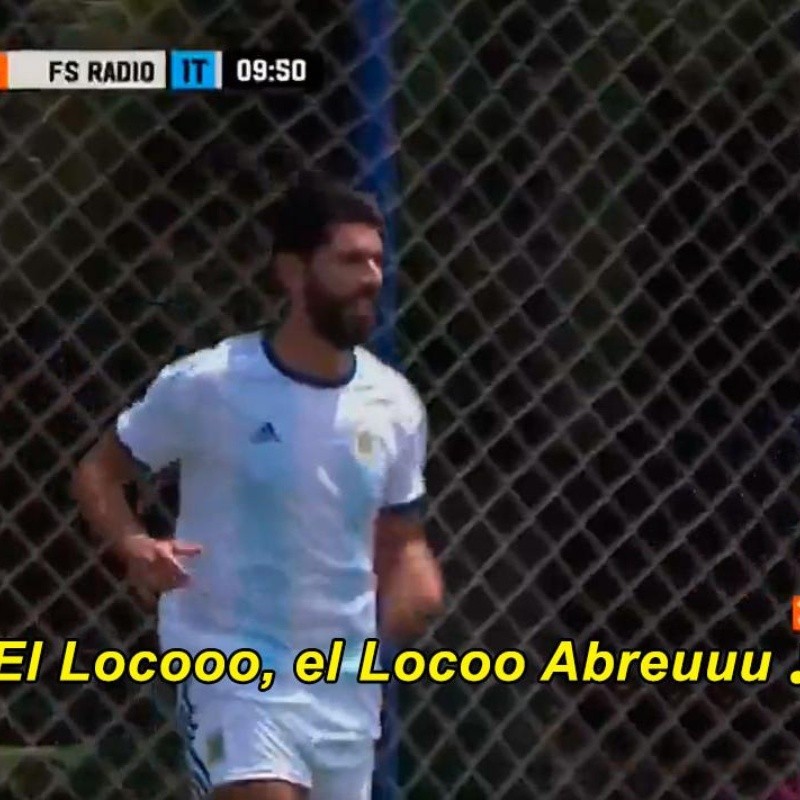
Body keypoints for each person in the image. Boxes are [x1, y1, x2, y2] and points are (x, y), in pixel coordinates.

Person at [71, 171, 444, 800]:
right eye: (351, 260)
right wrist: (133, 544)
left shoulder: (395, 405)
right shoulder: (210, 383)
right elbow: (99, 473)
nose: (372, 278)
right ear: (294, 273)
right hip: (231, 672)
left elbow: (403, 539)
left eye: (378, 260)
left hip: (343, 689)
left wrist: (415, 586)